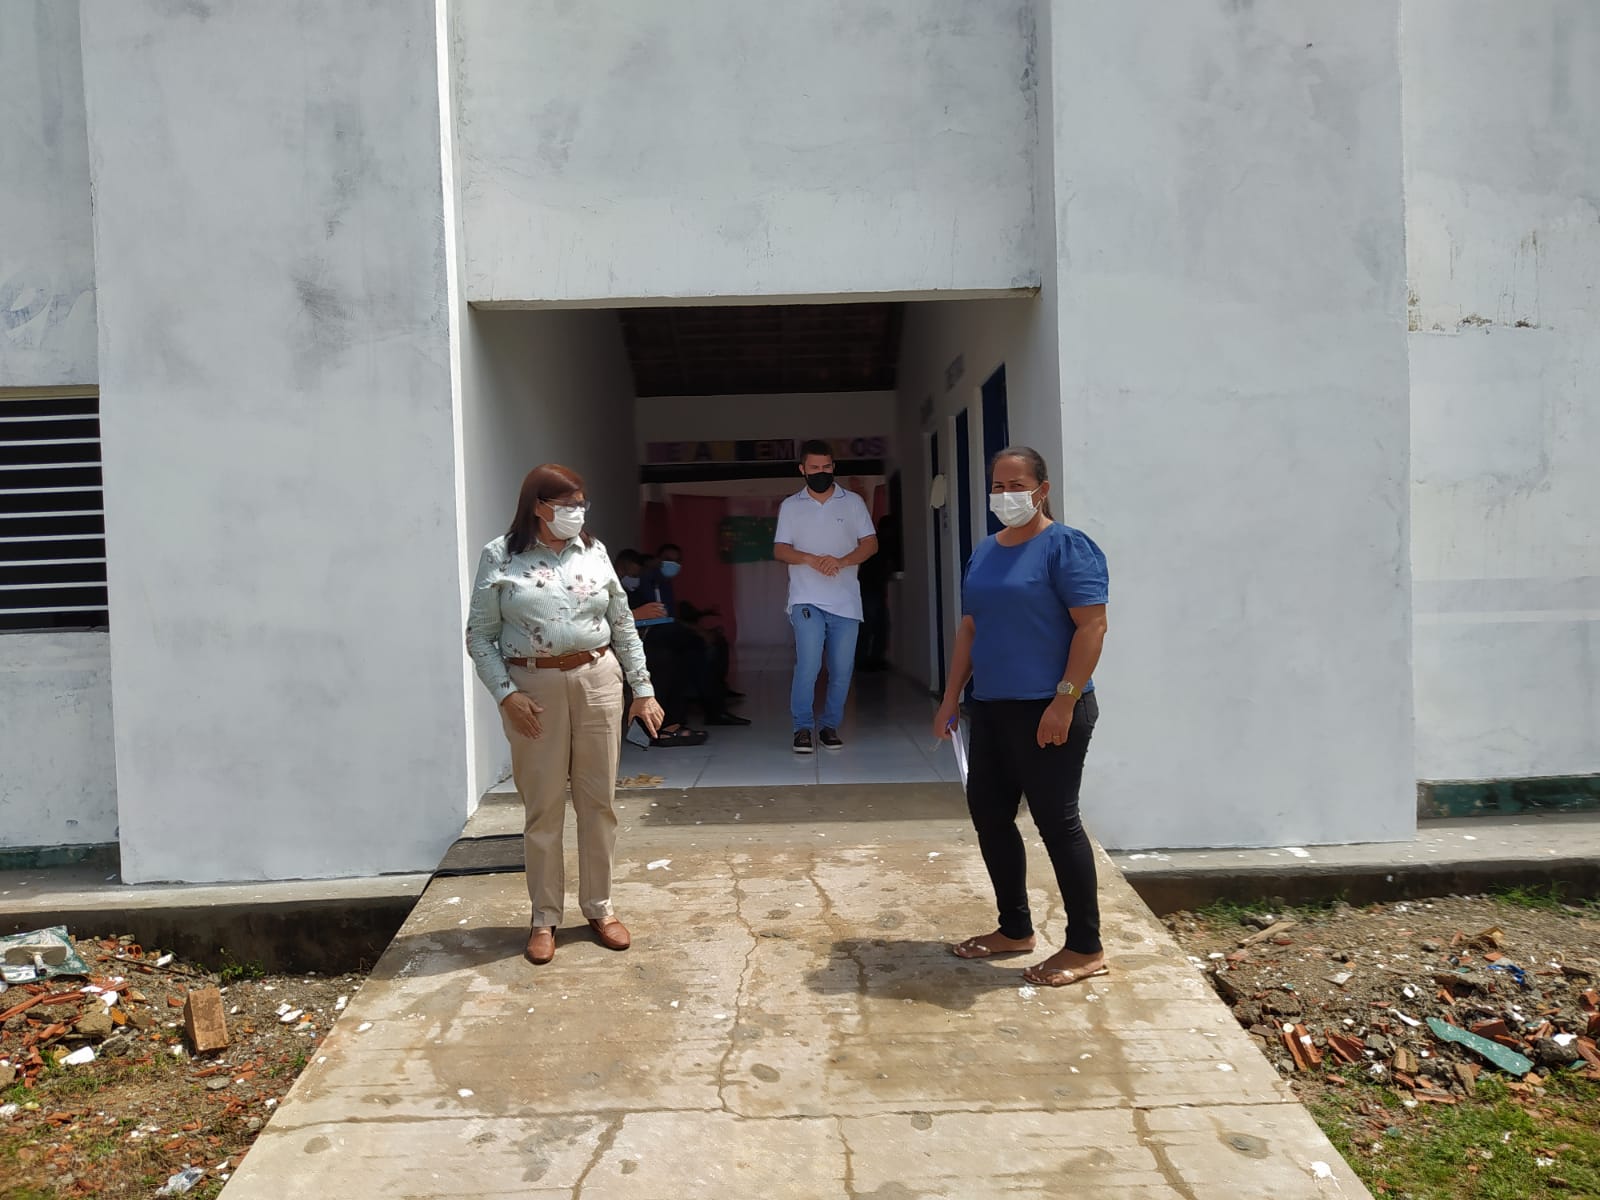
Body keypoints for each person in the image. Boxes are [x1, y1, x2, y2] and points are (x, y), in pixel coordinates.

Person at [466, 464, 664, 966]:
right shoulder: (500, 555)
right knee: (544, 808)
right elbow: (479, 637)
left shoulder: (594, 551)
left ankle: (600, 907)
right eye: (566, 505)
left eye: (581, 504)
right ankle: (544, 917)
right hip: (533, 690)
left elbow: (622, 622)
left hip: (598, 680)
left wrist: (642, 689)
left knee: (599, 803)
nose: (577, 513)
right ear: (538, 506)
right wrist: (506, 695)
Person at [932, 446, 1110, 988]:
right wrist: (950, 698)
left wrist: (1063, 701)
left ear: (1042, 490)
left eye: (1017, 485)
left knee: (1057, 823)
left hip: (1050, 709)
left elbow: (1092, 627)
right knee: (990, 815)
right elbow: (971, 627)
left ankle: (1086, 947)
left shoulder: (1067, 547)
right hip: (991, 707)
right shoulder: (986, 552)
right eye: (998, 486)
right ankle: (1015, 929)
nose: (1005, 495)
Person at [773, 440, 877, 753]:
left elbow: (870, 544)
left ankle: (830, 726)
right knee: (808, 665)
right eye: (814, 467)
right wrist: (810, 559)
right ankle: (802, 728)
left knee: (842, 669)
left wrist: (841, 561)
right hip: (806, 598)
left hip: (846, 600)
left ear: (833, 467)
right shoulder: (791, 506)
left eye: (826, 466)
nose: (821, 472)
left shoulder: (853, 502)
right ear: (802, 470)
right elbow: (780, 549)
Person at [615, 548, 706, 748]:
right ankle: (655, 728)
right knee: (663, 658)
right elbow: (606, 620)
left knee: (681, 655)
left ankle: (671, 723)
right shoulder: (608, 589)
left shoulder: (635, 591)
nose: (635, 578)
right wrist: (636, 616)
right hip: (615, 645)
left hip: (636, 640)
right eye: (632, 574)